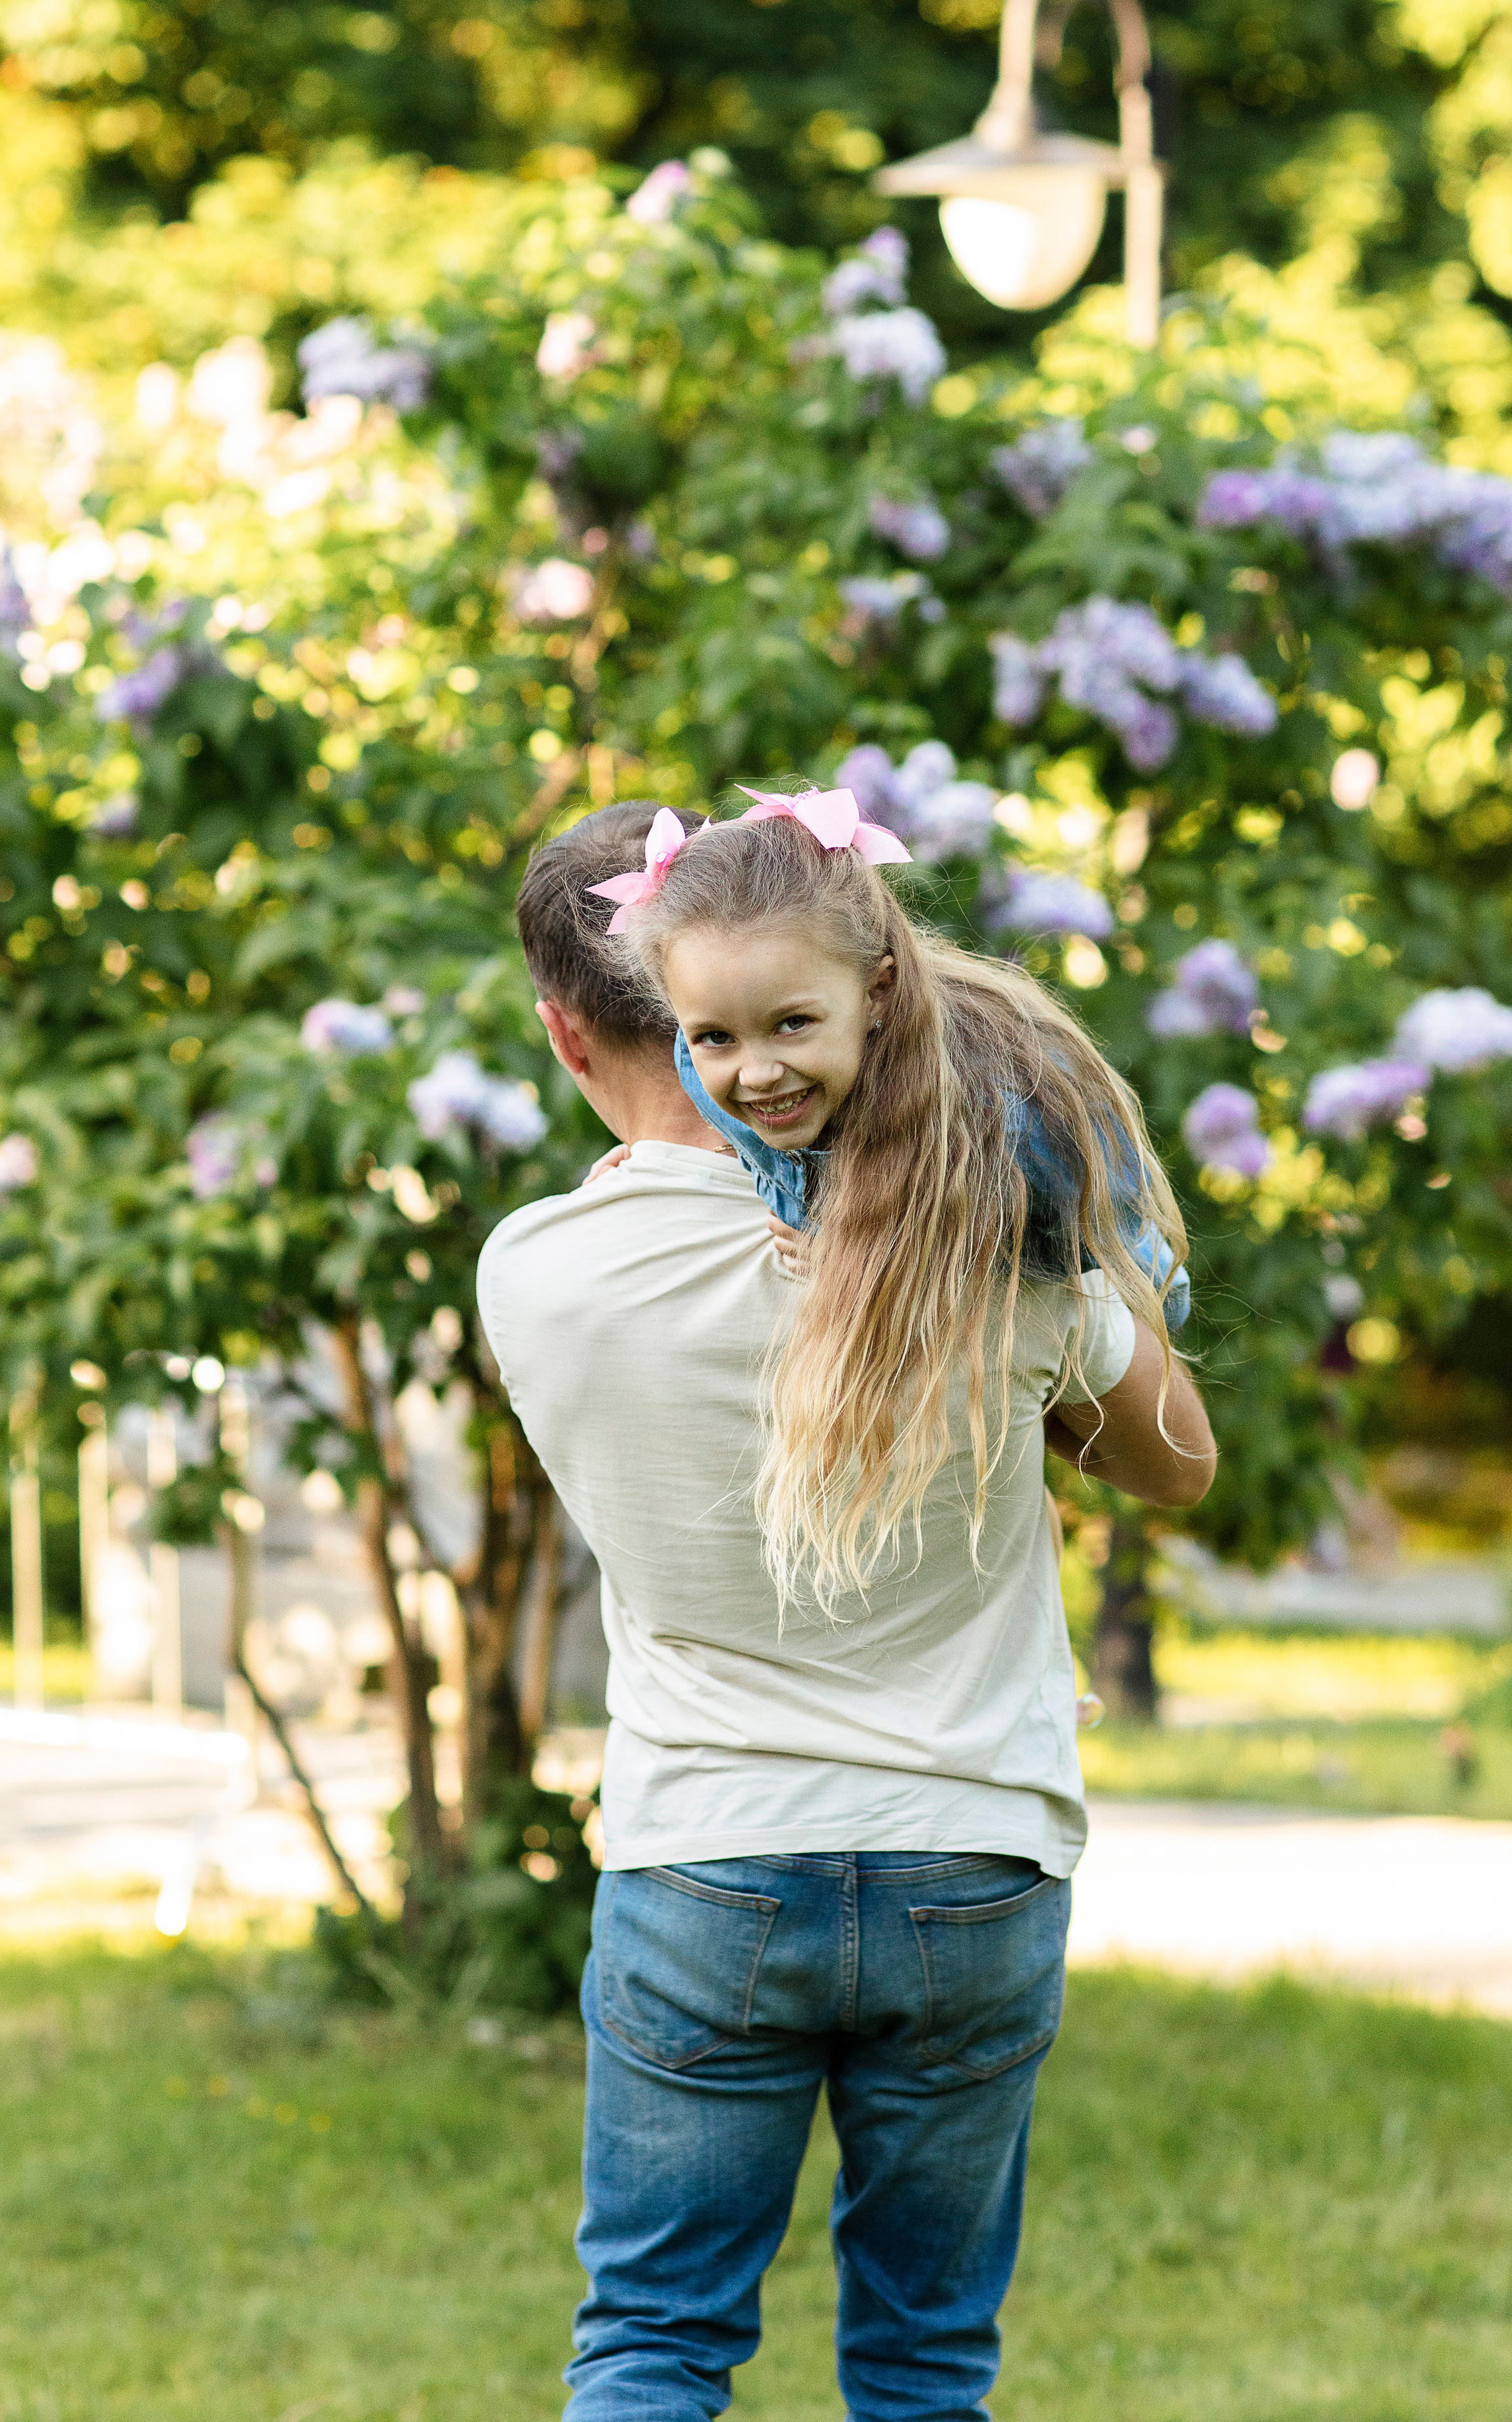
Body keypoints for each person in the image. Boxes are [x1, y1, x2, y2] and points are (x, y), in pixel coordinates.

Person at [479, 793, 1215, 2422]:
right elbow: (1177, 1469)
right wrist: (1095, 1259)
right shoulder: (993, 1261)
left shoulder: (535, 1270)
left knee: (653, 2343)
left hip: (703, 1864)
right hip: (974, 1855)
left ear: (569, 1029)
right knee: (923, 2360)